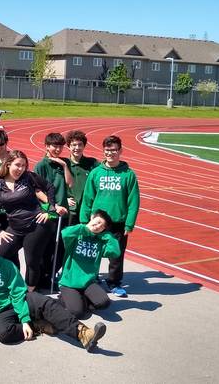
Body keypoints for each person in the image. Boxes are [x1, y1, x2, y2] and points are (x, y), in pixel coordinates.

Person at [0, 233, 107, 353]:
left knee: (45, 302)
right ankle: (37, 326)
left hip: (18, 301)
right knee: (4, 334)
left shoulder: (7, 266)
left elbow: (17, 292)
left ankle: (83, 334)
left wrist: (23, 319)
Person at [79, 135, 140, 297]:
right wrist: (85, 220)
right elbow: (88, 197)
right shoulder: (96, 172)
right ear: (103, 151)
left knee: (116, 254)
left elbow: (133, 201)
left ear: (120, 151)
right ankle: (91, 279)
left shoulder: (128, 175)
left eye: (113, 150)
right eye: (107, 150)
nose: (110, 153)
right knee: (92, 251)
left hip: (118, 222)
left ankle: (114, 282)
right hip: (97, 222)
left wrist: (129, 224)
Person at [0, 150, 56, 290]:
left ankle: (29, 294)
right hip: (15, 227)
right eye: (17, 165)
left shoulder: (29, 177)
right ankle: (8, 287)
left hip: (36, 225)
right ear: (8, 164)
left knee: (31, 261)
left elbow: (49, 187)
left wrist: (50, 210)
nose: (20, 169)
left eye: (23, 165)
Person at [59, 210, 120, 318]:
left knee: (104, 303)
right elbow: (65, 233)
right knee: (77, 312)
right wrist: (85, 228)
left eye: (102, 226)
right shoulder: (77, 234)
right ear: (92, 218)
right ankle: (65, 298)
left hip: (88, 282)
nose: (97, 226)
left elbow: (115, 252)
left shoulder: (100, 241)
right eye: (97, 222)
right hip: (70, 282)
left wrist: (107, 235)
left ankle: (81, 299)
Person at [33, 132, 73, 289]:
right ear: (47, 146)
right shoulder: (41, 165)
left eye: (60, 146)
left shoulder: (64, 162)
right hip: (48, 212)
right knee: (45, 247)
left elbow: (70, 183)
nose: (57, 149)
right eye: (54, 146)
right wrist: (52, 205)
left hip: (63, 213)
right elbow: (37, 190)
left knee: (61, 247)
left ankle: (50, 275)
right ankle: (42, 279)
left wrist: (64, 166)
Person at [65, 130, 98, 226]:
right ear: (68, 146)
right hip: (71, 211)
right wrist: (64, 199)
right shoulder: (63, 164)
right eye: (74, 145)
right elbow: (55, 186)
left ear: (84, 146)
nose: (77, 148)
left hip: (88, 210)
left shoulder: (93, 163)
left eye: (80, 145)